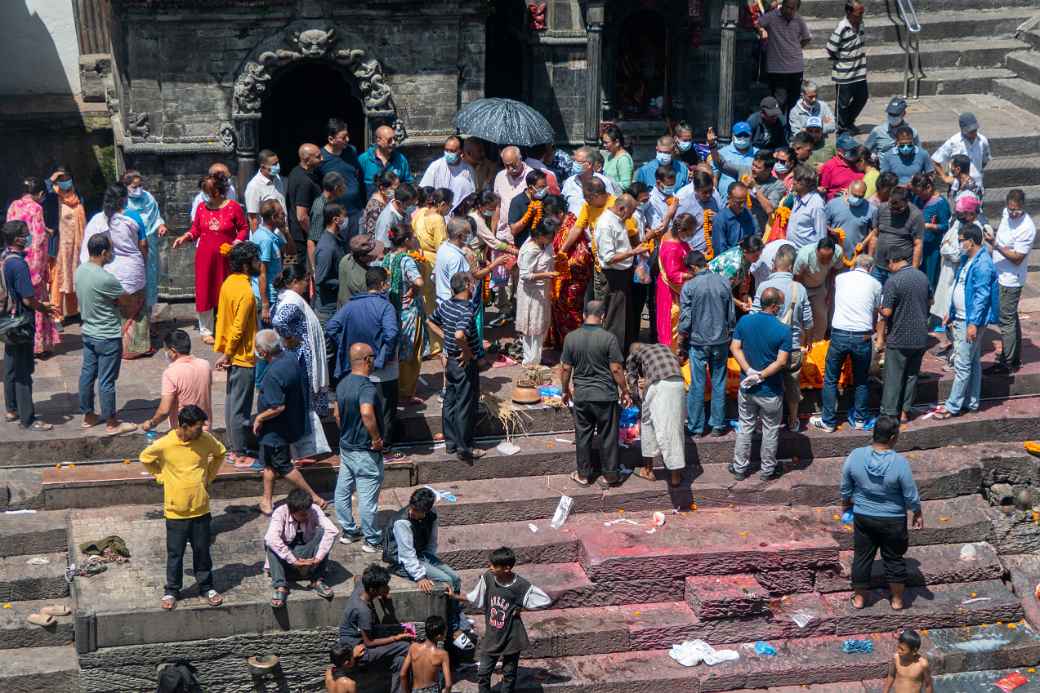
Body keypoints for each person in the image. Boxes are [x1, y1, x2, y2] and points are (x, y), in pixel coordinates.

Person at [139, 404, 226, 610]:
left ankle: (206, 586)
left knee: (202, 549)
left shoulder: (205, 440)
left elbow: (220, 453)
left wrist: (209, 476)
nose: (201, 431)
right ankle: (172, 590)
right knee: (175, 552)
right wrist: (161, 477)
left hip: (201, 508)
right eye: (197, 427)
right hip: (175, 511)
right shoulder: (166, 443)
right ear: (184, 426)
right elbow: (145, 458)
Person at [840, 415, 923, 611]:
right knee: (894, 559)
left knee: (862, 557)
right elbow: (910, 493)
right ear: (893, 437)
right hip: (893, 520)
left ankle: (859, 600)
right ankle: (897, 601)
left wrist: (845, 505)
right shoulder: (900, 463)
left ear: (874, 433)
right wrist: (917, 511)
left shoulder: (856, 455)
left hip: (863, 516)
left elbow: (845, 485)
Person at [447, 546, 551, 693]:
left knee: (509, 674)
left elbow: (544, 600)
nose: (490, 568)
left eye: (494, 566)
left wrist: (522, 607)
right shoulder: (488, 578)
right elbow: (475, 597)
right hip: (493, 635)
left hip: (512, 636)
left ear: (507, 568)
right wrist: (456, 596)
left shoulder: (520, 585)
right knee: (483, 673)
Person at [253, 328, 326, 514]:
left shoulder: (272, 375)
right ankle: (267, 500)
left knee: (283, 465)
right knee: (269, 462)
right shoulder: (290, 359)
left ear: (263, 352)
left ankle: (314, 497)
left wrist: (259, 418)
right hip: (287, 423)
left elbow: (277, 407)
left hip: (275, 429)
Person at [328, 268, 401, 448]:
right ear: (382, 285)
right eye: (387, 283)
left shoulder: (350, 306)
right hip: (382, 371)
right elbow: (391, 334)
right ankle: (384, 448)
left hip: (356, 370)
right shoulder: (385, 306)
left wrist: (351, 350)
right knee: (383, 411)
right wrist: (380, 359)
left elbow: (331, 328)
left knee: (362, 409)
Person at [173, 170, 248, 344]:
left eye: (208, 192)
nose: (205, 196)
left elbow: (243, 228)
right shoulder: (201, 208)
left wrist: (235, 243)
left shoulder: (233, 207)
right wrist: (186, 237)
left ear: (218, 191)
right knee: (205, 290)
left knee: (226, 291)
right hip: (205, 257)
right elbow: (196, 229)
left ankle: (227, 326)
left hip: (226, 257)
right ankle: (206, 330)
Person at [560, 300, 629, 488]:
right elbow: (616, 369)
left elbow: (566, 368)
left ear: (583, 315)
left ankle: (584, 475)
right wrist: (625, 390)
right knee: (608, 435)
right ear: (603, 317)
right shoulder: (609, 338)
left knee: (583, 436)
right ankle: (611, 475)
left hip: (582, 395)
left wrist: (565, 390)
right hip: (606, 396)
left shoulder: (571, 338)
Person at [810, 254, 881, 432]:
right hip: (862, 336)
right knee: (861, 380)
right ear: (870, 269)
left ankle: (828, 421)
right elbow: (875, 310)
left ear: (853, 266)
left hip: (840, 334)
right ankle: (859, 419)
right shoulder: (876, 284)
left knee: (831, 379)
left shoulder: (840, 278)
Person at [75, 233, 137, 435]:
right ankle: (112, 422)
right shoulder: (106, 278)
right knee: (107, 380)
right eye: (110, 250)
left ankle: (88, 415)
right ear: (103, 253)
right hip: (107, 335)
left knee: (87, 375)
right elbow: (126, 300)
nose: (112, 254)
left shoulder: (80, 271)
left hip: (88, 332)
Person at [932, 225, 996, 420]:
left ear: (971, 241)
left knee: (962, 364)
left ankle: (953, 406)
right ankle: (972, 401)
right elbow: (960, 288)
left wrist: (973, 324)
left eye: (961, 240)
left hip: (969, 321)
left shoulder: (983, 263)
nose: (959, 244)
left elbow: (981, 296)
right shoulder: (969, 260)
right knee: (973, 362)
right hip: (960, 317)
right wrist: (950, 312)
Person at [730, 287, 792, 481]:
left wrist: (749, 371)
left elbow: (735, 347)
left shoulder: (745, 321)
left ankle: (740, 468)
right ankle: (767, 470)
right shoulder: (783, 330)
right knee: (770, 430)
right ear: (774, 307)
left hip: (747, 387)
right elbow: (781, 361)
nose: (781, 308)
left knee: (745, 426)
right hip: (770, 390)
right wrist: (761, 375)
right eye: (780, 306)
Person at [1, 221, 57, 430]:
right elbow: (27, 299)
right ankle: (28, 418)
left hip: (7, 320)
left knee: (10, 365)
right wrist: (44, 308)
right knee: (24, 371)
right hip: (21, 321)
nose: (29, 237)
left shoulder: (4, 257)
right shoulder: (19, 264)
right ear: (17, 239)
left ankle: (11, 409)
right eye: (25, 234)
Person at [383, 488, 463, 632]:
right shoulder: (402, 522)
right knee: (447, 581)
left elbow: (432, 540)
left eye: (417, 511)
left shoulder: (431, 515)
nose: (413, 512)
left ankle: (455, 614)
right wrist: (419, 576)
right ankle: (452, 626)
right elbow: (406, 554)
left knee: (456, 579)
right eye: (412, 508)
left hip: (421, 554)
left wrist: (430, 559)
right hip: (400, 561)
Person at [753, 244, 812, 431]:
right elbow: (808, 321)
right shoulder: (799, 288)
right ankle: (793, 420)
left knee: (769, 385)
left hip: (767, 349)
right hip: (792, 346)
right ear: (791, 266)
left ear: (774, 263)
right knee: (792, 387)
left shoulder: (764, 287)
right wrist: (807, 341)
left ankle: (770, 421)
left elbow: (755, 317)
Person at [333, 342, 386, 552]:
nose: (374, 360)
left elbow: (337, 414)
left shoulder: (342, 384)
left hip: (346, 447)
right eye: (373, 356)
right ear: (366, 360)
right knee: (367, 497)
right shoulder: (366, 387)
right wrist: (376, 438)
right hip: (365, 451)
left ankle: (348, 530)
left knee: (343, 490)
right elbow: (366, 413)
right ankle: (372, 540)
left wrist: (347, 431)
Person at [427, 272, 485, 460]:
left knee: (450, 401)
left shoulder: (447, 305)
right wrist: (467, 351)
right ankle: (465, 447)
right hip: (463, 363)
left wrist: (446, 337)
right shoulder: (466, 309)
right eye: (473, 283)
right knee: (465, 405)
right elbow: (460, 335)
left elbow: (430, 321)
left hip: (451, 361)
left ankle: (451, 443)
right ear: (468, 285)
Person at [677, 249, 735, 437]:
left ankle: (696, 428)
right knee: (719, 382)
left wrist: (680, 339)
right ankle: (717, 425)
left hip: (698, 341)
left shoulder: (689, 287)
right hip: (721, 340)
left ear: (693, 267)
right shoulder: (724, 282)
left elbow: (686, 318)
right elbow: (731, 315)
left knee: (697, 384)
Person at [213, 242, 260, 464]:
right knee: (240, 408)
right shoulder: (246, 293)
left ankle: (234, 447)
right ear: (245, 264)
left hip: (232, 354)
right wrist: (229, 353)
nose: (259, 264)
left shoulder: (228, 283)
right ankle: (239, 453)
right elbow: (239, 327)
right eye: (255, 260)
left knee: (232, 403)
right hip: (242, 356)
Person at [6, 176, 60, 355]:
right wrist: (40, 269)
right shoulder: (36, 208)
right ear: (41, 193)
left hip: (13, 260)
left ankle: (17, 336)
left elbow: (8, 231)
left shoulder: (13, 205)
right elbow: (38, 240)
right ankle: (39, 345)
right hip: (31, 262)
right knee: (36, 303)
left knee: (17, 301)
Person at [338, 563, 412, 693]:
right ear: (372, 590)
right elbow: (369, 642)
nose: (387, 588)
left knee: (400, 661)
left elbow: (357, 577)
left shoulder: (361, 586)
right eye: (384, 587)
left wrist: (383, 595)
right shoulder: (363, 611)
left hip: (364, 636)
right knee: (407, 646)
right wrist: (395, 638)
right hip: (359, 650)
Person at [876, 248, 930, 423]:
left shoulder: (893, 281)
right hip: (920, 337)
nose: (888, 267)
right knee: (911, 376)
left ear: (893, 261)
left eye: (888, 264)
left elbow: (887, 312)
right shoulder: (922, 277)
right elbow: (931, 301)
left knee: (893, 377)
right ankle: (905, 412)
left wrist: (877, 307)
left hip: (899, 337)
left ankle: (890, 413)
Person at [625, 342, 686, 486]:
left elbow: (632, 378)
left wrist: (636, 399)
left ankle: (658, 473)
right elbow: (675, 363)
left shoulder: (634, 353)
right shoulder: (663, 347)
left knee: (656, 426)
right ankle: (666, 473)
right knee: (671, 426)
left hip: (659, 386)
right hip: (678, 383)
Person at [594, 194, 648, 352]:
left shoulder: (618, 220)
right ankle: (612, 357)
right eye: (629, 213)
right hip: (613, 277)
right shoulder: (606, 224)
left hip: (624, 274)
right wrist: (633, 252)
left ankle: (624, 354)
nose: (630, 217)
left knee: (625, 318)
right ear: (621, 208)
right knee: (614, 320)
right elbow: (609, 258)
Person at [988, 190, 1035, 374]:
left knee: (1006, 320)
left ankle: (1007, 362)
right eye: (1010, 209)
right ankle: (1013, 357)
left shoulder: (1027, 228)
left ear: (1023, 206)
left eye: (1016, 210)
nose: (1012, 213)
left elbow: (1017, 258)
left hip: (1011, 279)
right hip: (999, 274)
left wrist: (996, 245)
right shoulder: (1006, 213)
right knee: (1010, 317)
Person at [265, 487, 337, 607]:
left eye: (308, 512)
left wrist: (318, 558)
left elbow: (332, 530)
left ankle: (317, 580)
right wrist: (294, 561)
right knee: (271, 543)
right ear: (291, 511)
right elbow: (271, 538)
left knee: (324, 533)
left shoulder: (314, 510)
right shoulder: (280, 512)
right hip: (287, 562)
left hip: (308, 559)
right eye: (302, 514)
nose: (307, 516)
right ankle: (281, 586)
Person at [931, 193, 985, 353]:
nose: (959, 217)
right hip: (948, 274)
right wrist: (948, 247)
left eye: (962, 214)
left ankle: (957, 353)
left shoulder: (977, 229)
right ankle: (952, 348)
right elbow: (944, 245)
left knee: (955, 315)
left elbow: (956, 254)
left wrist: (948, 248)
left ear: (971, 213)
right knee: (946, 315)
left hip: (958, 277)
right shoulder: (957, 224)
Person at [380, 225, 426, 404]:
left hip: (391, 311)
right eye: (413, 237)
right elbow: (419, 281)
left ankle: (395, 388)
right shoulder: (406, 260)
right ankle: (406, 392)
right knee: (411, 354)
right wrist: (414, 289)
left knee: (396, 352)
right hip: (409, 312)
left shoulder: (386, 258)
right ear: (406, 240)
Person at [140, 329, 213, 434]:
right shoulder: (205, 365)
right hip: (204, 430)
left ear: (173, 351)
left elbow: (164, 411)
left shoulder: (171, 373)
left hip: (185, 433)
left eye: (166, 350)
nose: (166, 353)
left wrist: (151, 423)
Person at [756, 0, 812, 115]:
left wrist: (795, 49)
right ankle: (779, 130)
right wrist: (761, 30)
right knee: (779, 102)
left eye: (792, 8)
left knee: (794, 103)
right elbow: (757, 23)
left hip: (795, 68)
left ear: (796, 9)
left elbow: (806, 38)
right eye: (786, 7)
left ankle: (791, 130)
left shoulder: (798, 19)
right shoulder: (772, 16)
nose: (788, 10)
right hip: (777, 68)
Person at [515, 221, 558, 367]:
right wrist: (548, 274)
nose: (552, 239)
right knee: (531, 328)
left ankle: (537, 358)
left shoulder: (544, 245)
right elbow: (525, 275)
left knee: (540, 326)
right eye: (550, 236)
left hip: (542, 292)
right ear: (540, 235)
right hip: (531, 294)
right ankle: (530, 362)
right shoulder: (530, 249)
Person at [793, 234, 844, 342]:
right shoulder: (804, 255)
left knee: (822, 320)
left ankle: (817, 347)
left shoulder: (838, 252)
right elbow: (796, 279)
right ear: (816, 251)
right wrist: (799, 298)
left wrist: (830, 293)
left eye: (829, 258)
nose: (825, 261)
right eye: (822, 257)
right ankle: (801, 346)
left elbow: (834, 272)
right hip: (803, 287)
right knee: (802, 319)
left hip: (820, 287)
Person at [870, 186, 924, 286]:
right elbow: (874, 236)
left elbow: (918, 244)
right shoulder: (881, 209)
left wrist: (913, 272)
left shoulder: (916, 215)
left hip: (900, 271)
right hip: (878, 266)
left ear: (907, 201)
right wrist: (870, 259)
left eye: (898, 208)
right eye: (891, 207)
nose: (894, 211)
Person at [910, 173, 951, 295]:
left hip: (932, 248)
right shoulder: (918, 199)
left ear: (928, 187)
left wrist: (930, 226)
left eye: (920, 193)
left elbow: (945, 225)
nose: (918, 196)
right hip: (917, 245)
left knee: (930, 278)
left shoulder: (940, 203)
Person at [320, 119, 366, 224]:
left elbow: (357, 175)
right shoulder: (321, 158)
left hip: (357, 211)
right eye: (343, 138)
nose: (348, 139)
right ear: (331, 139)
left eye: (347, 136)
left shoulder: (351, 151)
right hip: (337, 215)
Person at [251, 199, 290, 326]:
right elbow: (262, 273)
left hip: (274, 294)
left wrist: (285, 231)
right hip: (268, 297)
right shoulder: (266, 240)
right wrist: (265, 305)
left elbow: (291, 253)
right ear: (274, 217)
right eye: (281, 214)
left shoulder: (272, 236)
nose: (284, 215)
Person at [933, 112, 990, 190]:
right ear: (963, 130)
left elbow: (984, 161)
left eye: (975, 130)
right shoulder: (953, 142)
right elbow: (935, 160)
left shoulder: (983, 141)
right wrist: (945, 177)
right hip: (958, 187)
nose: (974, 134)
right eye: (970, 131)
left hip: (977, 186)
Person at [419, 135, 475, 212]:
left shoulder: (468, 170)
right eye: (446, 150)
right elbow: (424, 191)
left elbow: (471, 194)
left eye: (452, 151)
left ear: (461, 151)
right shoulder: (435, 166)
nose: (448, 153)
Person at [313, 203, 349, 323]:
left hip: (336, 305)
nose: (346, 220)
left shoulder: (337, 240)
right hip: (328, 310)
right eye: (344, 216)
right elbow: (320, 279)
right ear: (336, 219)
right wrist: (344, 282)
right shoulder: (327, 247)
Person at [285, 143, 323, 253]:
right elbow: (302, 216)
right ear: (307, 160)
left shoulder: (296, 171)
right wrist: (315, 236)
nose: (322, 159)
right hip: (304, 238)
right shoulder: (304, 181)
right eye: (317, 157)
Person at [400, 615, 452, 693]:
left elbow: (402, 674)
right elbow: (448, 684)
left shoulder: (413, 647)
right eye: (445, 632)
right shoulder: (442, 654)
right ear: (439, 636)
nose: (446, 634)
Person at [826, 179, 874, 259]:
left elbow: (874, 231)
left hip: (856, 256)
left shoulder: (870, 209)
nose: (857, 199)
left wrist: (864, 244)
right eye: (855, 195)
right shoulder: (833, 204)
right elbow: (824, 224)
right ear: (848, 191)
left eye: (860, 196)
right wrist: (831, 231)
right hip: (834, 255)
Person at [359, 125, 413, 196]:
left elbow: (408, 184)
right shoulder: (364, 159)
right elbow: (357, 186)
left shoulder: (401, 159)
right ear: (378, 140)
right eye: (389, 140)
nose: (393, 142)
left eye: (395, 139)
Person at [709, 122, 758, 197]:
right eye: (739, 135)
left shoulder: (758, 154)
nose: (742, 137)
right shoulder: (722, 152)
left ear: (751, 136)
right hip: (726, 202)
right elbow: (715, 177)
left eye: (745, 135)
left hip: (750, 202)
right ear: (732, 135)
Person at [244, 149, 286, 232]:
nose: (278, 166)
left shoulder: (277, 178)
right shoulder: (254, 186)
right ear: (263, 167)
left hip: (282, 234)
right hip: (267, 237)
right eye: (274, 164)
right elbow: (253, 219)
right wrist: (258, 242)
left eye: (277, 162)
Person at [787, 165, 828, 249]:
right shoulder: (797, 198)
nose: (792, 182)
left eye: (794, 179)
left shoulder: (816, 205)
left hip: (806, 256)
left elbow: (821, 236)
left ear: (803, 183)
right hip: (792, 251)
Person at [507, 171, 549, 250]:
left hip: (544, 248)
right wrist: (530, 214)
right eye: (541, 187)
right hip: (524, 249)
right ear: (530, 188)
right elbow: (514, 230)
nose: (544, 190)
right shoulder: (517, 201)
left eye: (545, 186)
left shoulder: (546, 198)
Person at [713, 182, 760, 253]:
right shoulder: (720, 219)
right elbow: (720, 248)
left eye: (744, 201)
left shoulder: (747, 213)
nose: (742, 206)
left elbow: (755, 234)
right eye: (738, 202)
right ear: (729, 199)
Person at [748, 151, 787, 233]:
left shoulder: (777, 185)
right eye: (753, 165)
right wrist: (713, 146)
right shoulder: (746, 172)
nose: (753, 169)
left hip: (758, 231)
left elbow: (770, 209)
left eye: (758, 167)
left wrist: (754, 188)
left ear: (768, 170)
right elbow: (722, 164)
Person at [819, 134, 864, 200]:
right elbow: (823, 190)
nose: (854, 152)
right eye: (850, 150)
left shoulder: (860, 162)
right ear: (839, 151)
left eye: (855, 149)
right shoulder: (829, 166)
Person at [374, 181, 418, 246]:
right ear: (398, 203)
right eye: (409, 204)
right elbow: (383, 247)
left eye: (414, 204)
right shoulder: (387, 221)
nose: (413, 207)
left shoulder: (403, 210)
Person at [363, 170, 399, 236]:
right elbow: (371, 234)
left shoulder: (387, 199)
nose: (396, 192)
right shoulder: (375, 208)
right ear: (382, 188)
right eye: (393, 189)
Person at [601, 124, 634, 189]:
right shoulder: (610, 156)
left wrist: (606, 185)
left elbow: (626, 185)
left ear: (617, 142)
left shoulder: (623, 159)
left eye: (606, 143)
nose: (604, 145)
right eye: (603, 142)